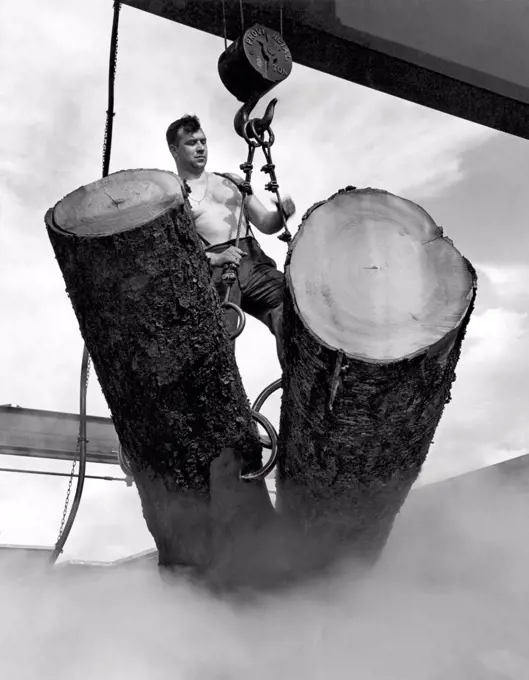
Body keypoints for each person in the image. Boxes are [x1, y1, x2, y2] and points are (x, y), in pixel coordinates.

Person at [166, 114, 296, 369]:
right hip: (216, 271)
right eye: (192, 143)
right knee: (220, 342)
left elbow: (266, 224)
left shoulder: (231, 181)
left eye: (203, 141)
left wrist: (282, 214)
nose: (201, 147)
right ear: (174, 149)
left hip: (253, 263)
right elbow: (175, 253)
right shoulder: (174, 197)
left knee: (291, 306)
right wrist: (215, 258)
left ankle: (296, 380)